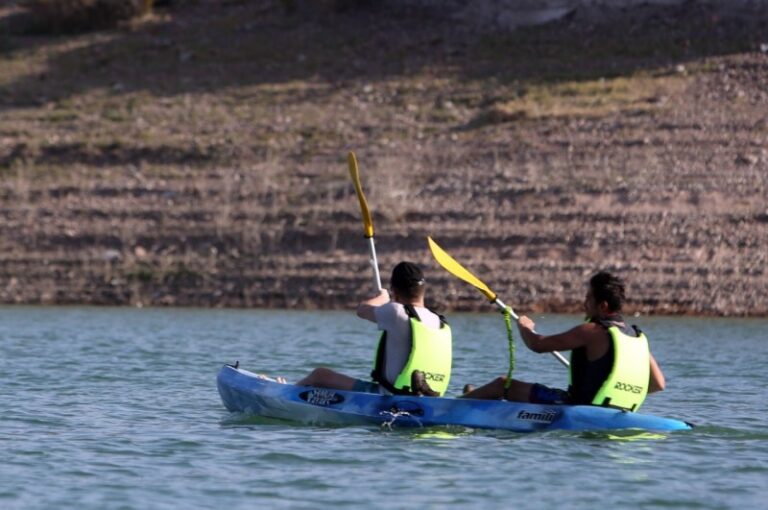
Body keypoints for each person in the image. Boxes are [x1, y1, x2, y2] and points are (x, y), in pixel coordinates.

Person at [462, 271, 665, 411]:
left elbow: (538, 345)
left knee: (501, 384)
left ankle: (454, 405)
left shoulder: (592, 330)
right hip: (618, 410)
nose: (584, 304)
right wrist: (615, 391)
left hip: (575, 407)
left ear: (602, 306)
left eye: (589, 299)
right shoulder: (637, 337)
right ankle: (478, 396)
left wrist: (525, 328)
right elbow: (658, 384)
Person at [296, 261, 453, 396]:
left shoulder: (396, 311)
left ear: (395, 291)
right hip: (430, 394)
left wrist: (381, 297)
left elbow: (362, 310)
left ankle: (285, 392)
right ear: (423, 291)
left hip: (388, 395)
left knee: (320, 375)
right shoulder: (440, 321)